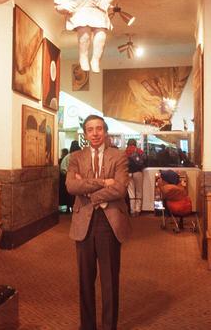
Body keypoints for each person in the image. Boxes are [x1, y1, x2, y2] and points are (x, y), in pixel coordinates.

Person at [66, 115, 131, 330]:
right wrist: (104, 182)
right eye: (90, 129)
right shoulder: (75, 157)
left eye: (99, 129)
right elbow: (71, 187)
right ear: (85, 134)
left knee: (110, 279)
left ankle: (109, 326)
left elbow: (120, 188)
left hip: (108, 221)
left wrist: (90, 193)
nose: (95, 133)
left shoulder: (119, 156)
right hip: (83, 222)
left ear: (105, 131)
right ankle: (87, 326)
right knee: (85, 279)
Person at [54, 0, 115, 73]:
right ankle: (83, 56)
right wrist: (65, 7)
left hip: (97, 13)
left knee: (101, 36)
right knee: (85, 34)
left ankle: (96, 60)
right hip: (80, 13)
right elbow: (58, 6)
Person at [125, 138, 147, 216]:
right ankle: (138, 210)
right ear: (135, 144)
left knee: (131, 192)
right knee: (139, 191)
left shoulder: (125, 151)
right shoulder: (139, 151)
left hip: (128, 174)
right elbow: (144, 160)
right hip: (138, 172)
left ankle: (132, 211)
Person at [60, 141, 82, 212]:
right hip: (79, 180)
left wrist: (68, 174)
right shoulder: (81, 157)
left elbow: (62, 168)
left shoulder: (67, 157)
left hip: (69, 179)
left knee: (69, 195)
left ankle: (69, 208)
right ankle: (77, 207)